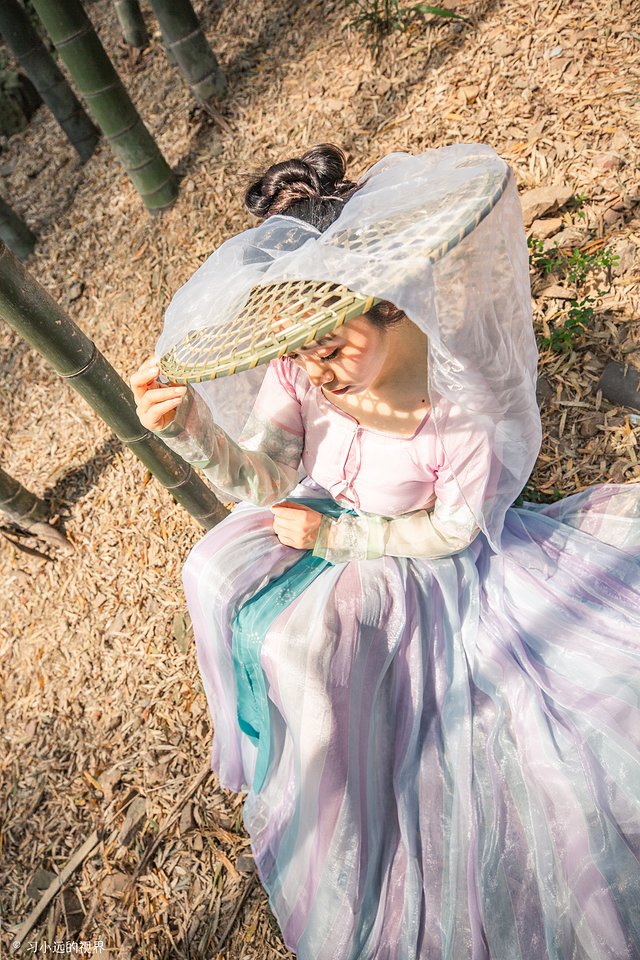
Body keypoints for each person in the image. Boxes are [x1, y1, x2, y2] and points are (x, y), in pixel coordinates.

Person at [131, 144, 640, 960]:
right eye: (301, 351)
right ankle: (280, 751)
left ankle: (346, 784)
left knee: (316, 638)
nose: (317, 371)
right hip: (316, 520)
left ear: (390, 306)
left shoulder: (457, 407)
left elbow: (454, 531)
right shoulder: (302, 376)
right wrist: (190, 431)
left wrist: (342, 537)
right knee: (214, 568)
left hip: (415, 561)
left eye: (334, 346)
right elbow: (262, 477)